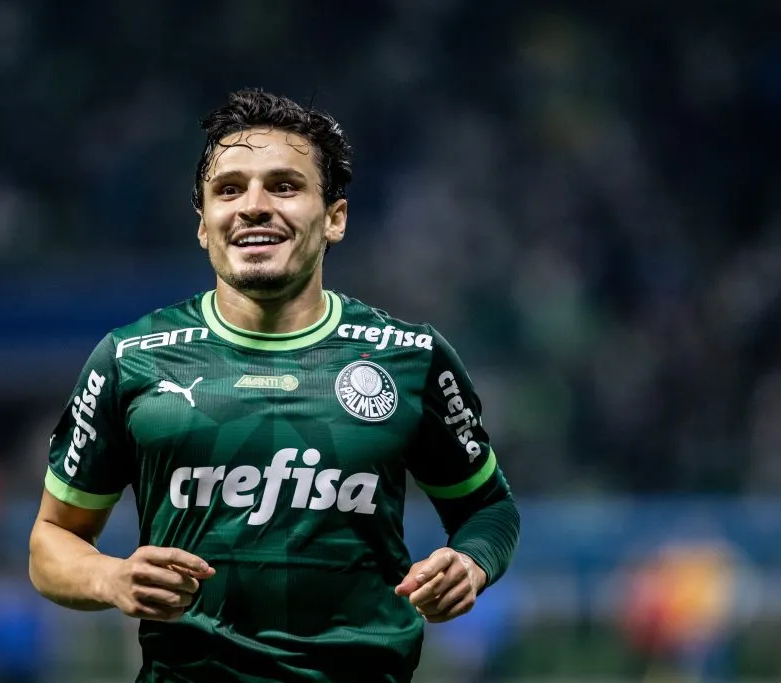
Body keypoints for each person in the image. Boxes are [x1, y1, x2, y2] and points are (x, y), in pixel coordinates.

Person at [28, 89, 520, 683]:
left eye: (284, 186)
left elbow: (488, 508)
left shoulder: (411, 358)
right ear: (203, 225)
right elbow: (51, 540)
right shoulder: (129, 359)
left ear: (334, 217)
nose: (254, 206)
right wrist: (108, 576)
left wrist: (470, 563)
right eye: (229, 189)